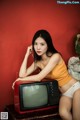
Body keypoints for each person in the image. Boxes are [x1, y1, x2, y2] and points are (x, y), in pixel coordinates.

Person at [12, 29, 80, 120]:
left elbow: (39, 77)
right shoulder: (38, 62)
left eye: (42, 44)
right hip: (65, 94)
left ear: (48, 45)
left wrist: (19, 80)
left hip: (76, 89)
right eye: (35, 44)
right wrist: (27, 54)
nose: (38, 48)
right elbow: (22, 74)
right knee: (63, 114)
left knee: (77, 117)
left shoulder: (55, 56)